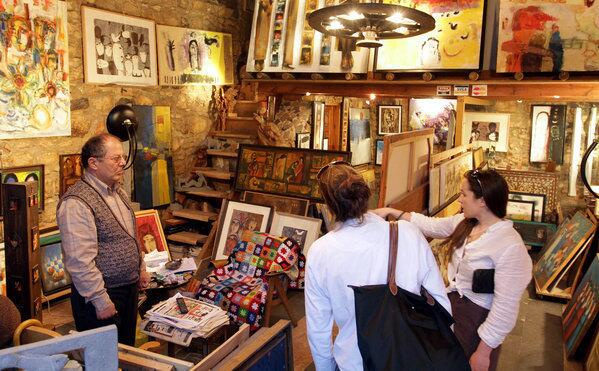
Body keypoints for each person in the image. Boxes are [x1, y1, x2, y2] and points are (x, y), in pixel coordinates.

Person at [373, 169, 532, 371]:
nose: (460, 199)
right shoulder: (466, 224)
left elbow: (505, 308)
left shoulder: (510, 245)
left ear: (482, 201)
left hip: (478, 320)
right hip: (454, 308)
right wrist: (393, 212)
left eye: (464, 194)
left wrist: (483, 352)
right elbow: (431, 225)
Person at [305, 161, 450, 370]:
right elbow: (440, 303)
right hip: (410, 357)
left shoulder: (320, 252)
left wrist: (325, 368)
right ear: (365, 195)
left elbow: (318, 330)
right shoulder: (408, 234)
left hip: (355, 362)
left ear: (329, 206)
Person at [56, 133, 150, 346]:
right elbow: (80, 262)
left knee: (125, 352)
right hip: (102, 296)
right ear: (93, 163)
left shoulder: (119, 193)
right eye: (115, 158)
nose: (123, 163)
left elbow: (129, 237)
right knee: (103, 359)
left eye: (122, 157)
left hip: (128, 289)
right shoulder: (76, 203)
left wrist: (140, 268)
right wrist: (100, 300)